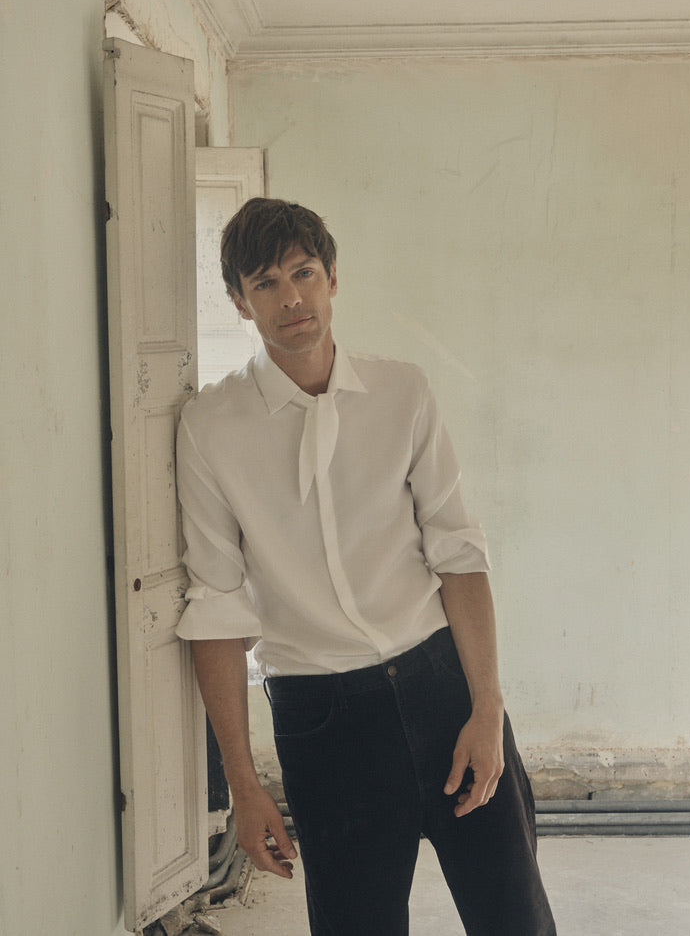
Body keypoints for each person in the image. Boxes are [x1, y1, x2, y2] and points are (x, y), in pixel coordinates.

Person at [175, 197, 556, 935]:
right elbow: (215, 605)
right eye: (266, 284)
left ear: (332, 277)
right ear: (238, 302)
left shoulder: (401, 392)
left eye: (304, 273)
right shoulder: (211, 428)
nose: (291, 298)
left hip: (443, 686)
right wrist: (244, 786)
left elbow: (458, 554)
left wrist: (487, 707)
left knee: (515, 918)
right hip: (325, 719)